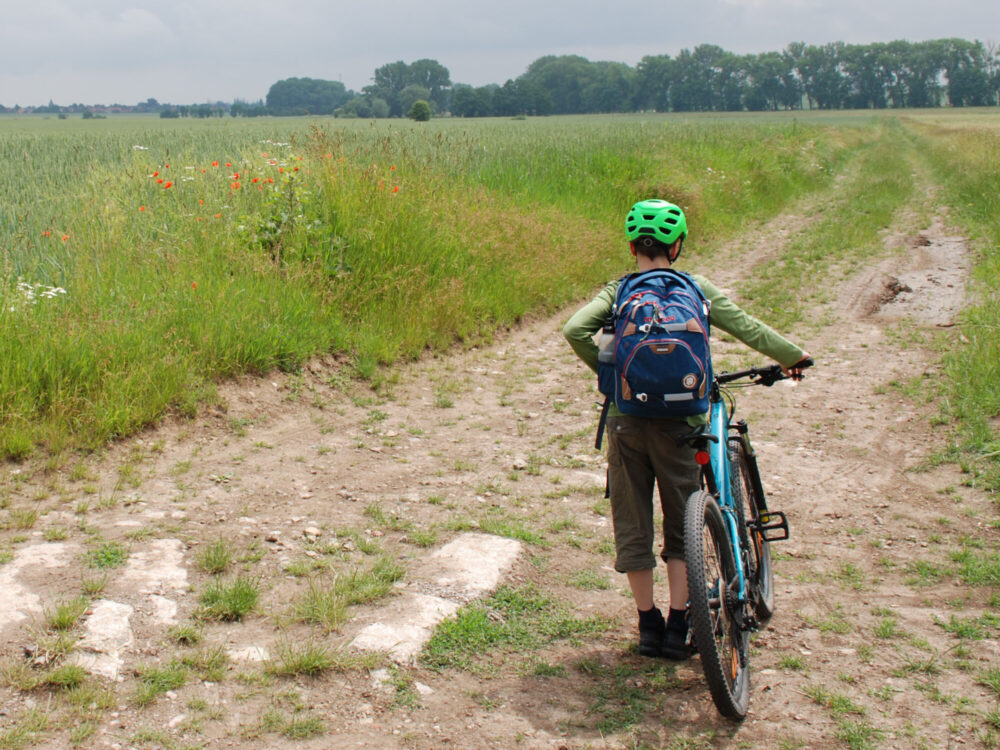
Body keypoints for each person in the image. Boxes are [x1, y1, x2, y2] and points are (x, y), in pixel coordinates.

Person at [563, 198, 810, 660]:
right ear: (676, 246)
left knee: (633, 522)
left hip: (627, 420)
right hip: (685, 420)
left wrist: (615, 381)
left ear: (632, 244)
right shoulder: (695, 287)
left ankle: (647, 625)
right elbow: (748, 328)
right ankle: (680, 624)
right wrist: (792, 355)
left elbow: (575, 329)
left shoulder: (618, 292)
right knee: (682, 522)